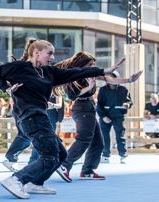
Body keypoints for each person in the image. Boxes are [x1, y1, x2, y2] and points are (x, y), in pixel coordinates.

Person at [0, 38, 123, 199]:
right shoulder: (18, 68)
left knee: (61, 155)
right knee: (50, 156)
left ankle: (35, 183)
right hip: (30, 117)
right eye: (49, 54)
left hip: (41, 116)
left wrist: (103, 70)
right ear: (36, 52)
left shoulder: (49, 72)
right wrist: (7, 88)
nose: (52, 58)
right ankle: (16, 179)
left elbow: (77, 72)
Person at [56, 52, 142, 183]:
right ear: (82, 65)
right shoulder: (74, 76)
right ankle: (65, 165)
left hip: (89, 108)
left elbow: (109, 79)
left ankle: (87, 171)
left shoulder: (91, 74)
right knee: (84, 138)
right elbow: (72, 96)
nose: (93, 66)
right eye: (90, 64)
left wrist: (129, 80)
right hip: (81, 107)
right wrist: (89, 87)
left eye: (94, 64)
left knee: (98, 143)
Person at [97, 70, 133, 164]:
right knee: (105, 136)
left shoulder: (123, 90)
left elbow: (129, 101)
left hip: (118, 116)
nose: (110, 80)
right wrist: (103, 116)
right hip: (105, 116)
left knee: (120, 136)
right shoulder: (102, 90)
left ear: (117, 79)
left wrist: (127, 105)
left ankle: (123, 155)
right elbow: (99, 105)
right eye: (108, 78)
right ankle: (105, 155)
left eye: (113, 77)